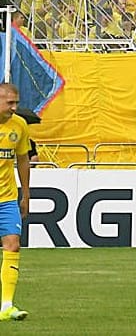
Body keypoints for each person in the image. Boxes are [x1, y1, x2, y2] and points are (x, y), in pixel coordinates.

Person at [0, 84, 31, 321]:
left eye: (16, 102)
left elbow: (22, 160)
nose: (14, 107)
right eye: (10, 102)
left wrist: (26, 193)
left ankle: (6, 306)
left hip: (7, 198)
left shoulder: (19, 125)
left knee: (13, 244)